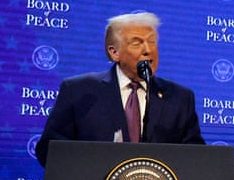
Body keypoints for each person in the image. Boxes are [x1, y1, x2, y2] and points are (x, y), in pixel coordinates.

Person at [35, 11, 204, 167]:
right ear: (114, 52)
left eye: (152, 41)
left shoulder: (179, 98)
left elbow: (196, 158)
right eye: (136, 43)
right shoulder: (79, 91)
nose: (148, 50)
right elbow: (49, 151)